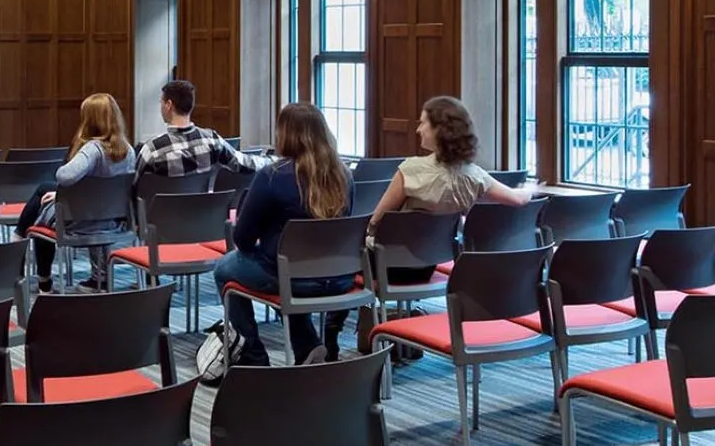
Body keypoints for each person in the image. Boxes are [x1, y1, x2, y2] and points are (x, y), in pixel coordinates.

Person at [210, 101, 356, 367]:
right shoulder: (344, 175)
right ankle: (308, 347)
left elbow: (242, 239)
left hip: (293, 277)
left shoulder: (272, 175)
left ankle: (253, 356)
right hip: (339, 278)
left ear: (286, 134)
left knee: (224, 268)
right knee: (288, 268)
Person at [17, 92, 140, 289]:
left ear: (90, 119)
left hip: (80, 222)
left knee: (43, 211)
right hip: (111, 221)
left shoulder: (93, 149)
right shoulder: (128, 150)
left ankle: (42, 279)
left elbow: (64, 176)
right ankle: (99, 279)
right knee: (47, 191)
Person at [368, 95, 532, 223]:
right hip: (439, 254)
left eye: (423, 123)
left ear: (440, 130)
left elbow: (376, 221)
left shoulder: (410, 170)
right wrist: (531, 190)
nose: (418, 129)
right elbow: (517, 199)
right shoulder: (475, 176)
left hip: (395, 257)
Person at [135, 77, 258, 178]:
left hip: (163, 208)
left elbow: (134, 190)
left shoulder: (152, 150)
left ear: (168, 105)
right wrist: (275, 161)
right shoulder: (212, 141)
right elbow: (245, 163)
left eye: (161, 102)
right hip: (204, 207)